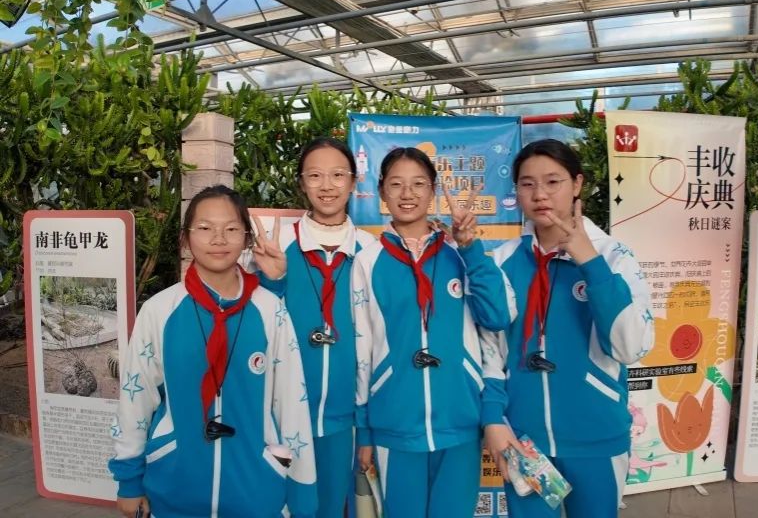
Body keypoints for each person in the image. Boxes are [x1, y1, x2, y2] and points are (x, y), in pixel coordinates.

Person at [109, 185, 316, 518]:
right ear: (185, 238)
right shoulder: (159, 310)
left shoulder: (270, 310)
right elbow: (136, 399)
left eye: (231, 229)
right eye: (205, 228)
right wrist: (129, 481)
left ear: (246, 239)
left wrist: (303, 491)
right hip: (175, 490)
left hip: (255, 492)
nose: (218, 239)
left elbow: (293, 401)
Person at [480, 139, 654, 517]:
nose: (540, 194)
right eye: (527, 184)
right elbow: (491, 350)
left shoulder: (614, 257)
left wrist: (589, 261)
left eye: (552, 181)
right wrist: (493, 418)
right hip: (525, 443)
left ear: (577, 184)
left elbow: (631, 347)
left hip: (596, 439)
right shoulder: (503, 261)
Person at [353, 147, 515, 518]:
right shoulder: (366, 261)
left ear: (433, 190)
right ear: (382, 191)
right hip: (395, 426)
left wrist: (471, 249)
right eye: (396, 184)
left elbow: (498, 317)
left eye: (418, 184)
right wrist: (364, 429)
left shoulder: (462, 254)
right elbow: (362, 349)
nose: (407, 194)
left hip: (460, 423)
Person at [251, 137, 377, 518]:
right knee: (283, 508)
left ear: (353, 182)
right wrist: (272, 281)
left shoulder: (371, 251)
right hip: (283, 416)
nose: (327, 186)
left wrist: (365, 424)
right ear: (301, 183)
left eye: (338, 175)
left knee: (333, 508)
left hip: (344, 420)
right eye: (315, 175)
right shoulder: (277, 244)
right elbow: (255, 327)